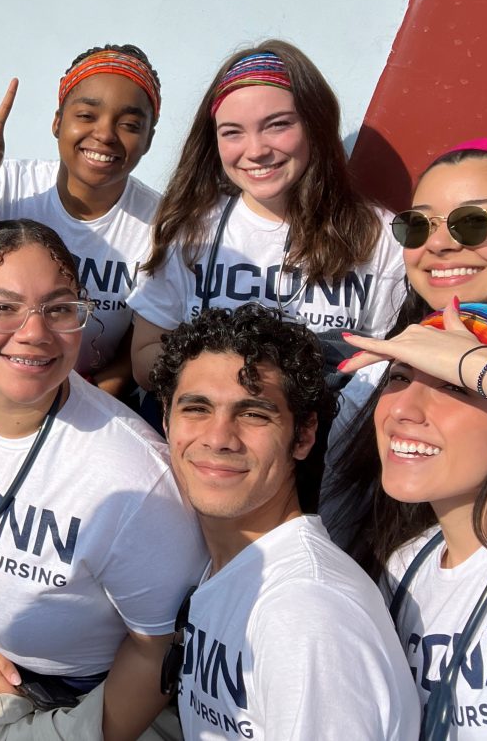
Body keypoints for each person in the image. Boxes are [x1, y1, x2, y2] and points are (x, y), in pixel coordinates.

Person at [0, 219, 206, 740]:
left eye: (60, 309)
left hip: (82, 705)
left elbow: (157, 646)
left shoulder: (136, 481)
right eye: (2, 307)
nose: (35, 332)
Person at [108, 304, 418, 740]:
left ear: (304, 435)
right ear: (165, 420)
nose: (218, 438)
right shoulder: (227, 563)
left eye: (254, 414)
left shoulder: (305, 615)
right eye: (196, 408)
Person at [128, 41, 405, 391]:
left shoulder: (380, 239)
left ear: (315, 124)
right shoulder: (188, 229)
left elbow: (391, 366)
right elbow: (143, 357)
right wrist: (235, 374)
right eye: (232, 132)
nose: (256, 151)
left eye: (276, 125)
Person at [332, 301, 487, 739]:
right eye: (399, 377)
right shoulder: (403, 565)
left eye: (455, 387)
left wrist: (472, 362)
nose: (404, 409)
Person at [0, 47, 163, 398]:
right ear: (57, 122)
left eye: (129, 125)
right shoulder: (8, 187)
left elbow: (141, 339)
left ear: (149, 140)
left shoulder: (161, 224)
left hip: (92, 399)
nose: (105, 134)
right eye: (86, 115)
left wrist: (79, 401)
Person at [330, 136, 487, 441]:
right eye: (418, 225)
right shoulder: (376, 373)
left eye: (474, 222)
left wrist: (473, 364)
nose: (435, 244)